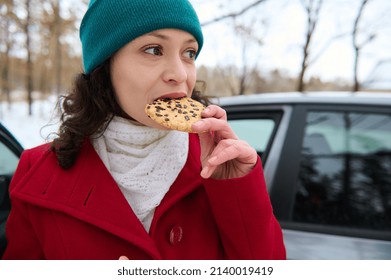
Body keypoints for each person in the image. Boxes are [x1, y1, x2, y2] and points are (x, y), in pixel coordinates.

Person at [2, 0, 286, 260]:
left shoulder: (219, 167)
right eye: (154, 50)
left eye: (189, 53)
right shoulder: (37, 171)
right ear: (105, 66)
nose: (180, 73)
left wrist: (237, 190)